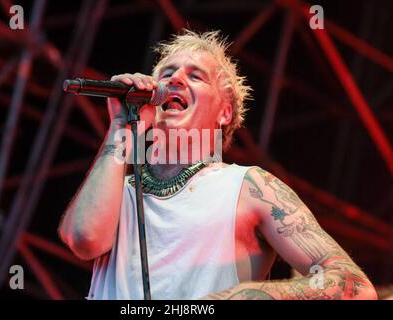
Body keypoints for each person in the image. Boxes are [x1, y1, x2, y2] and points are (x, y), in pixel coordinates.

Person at [58, 30, 377, 300]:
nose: (176, 79)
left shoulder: (248, 187)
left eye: (195, 76)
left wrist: (254, 295)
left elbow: (355, 285)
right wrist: (121, 128)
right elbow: (84, 238)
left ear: (224, 112)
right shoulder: (116, 190)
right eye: (166, 74)